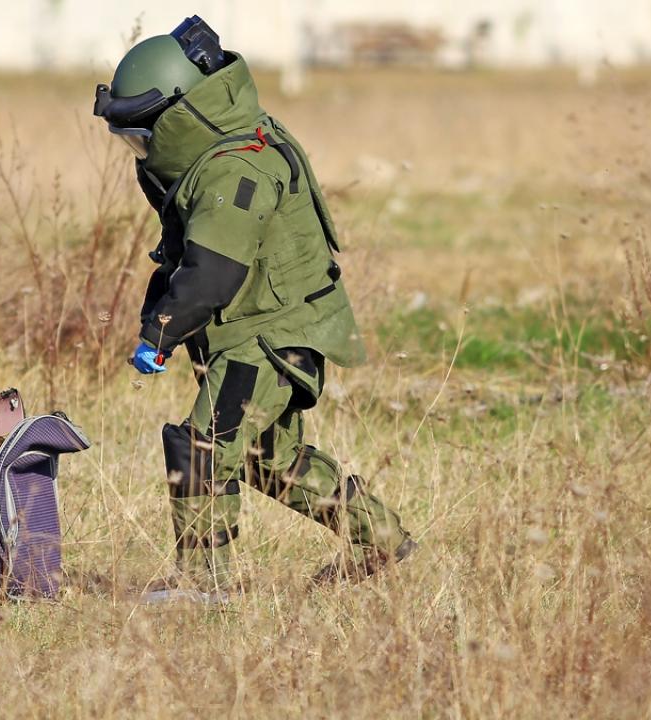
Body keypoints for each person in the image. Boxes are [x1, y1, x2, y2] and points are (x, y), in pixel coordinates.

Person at [94, 17, 415, 591]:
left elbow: (212, 274)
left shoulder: (234, 169)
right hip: (262, 328)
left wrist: (158, 334)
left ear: (183, 116)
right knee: (270, 458)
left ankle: (202, 586)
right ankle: (383, 540)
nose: (139, 151)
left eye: (144, 135)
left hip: (267, 337)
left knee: (204, 446)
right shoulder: (222, 147)